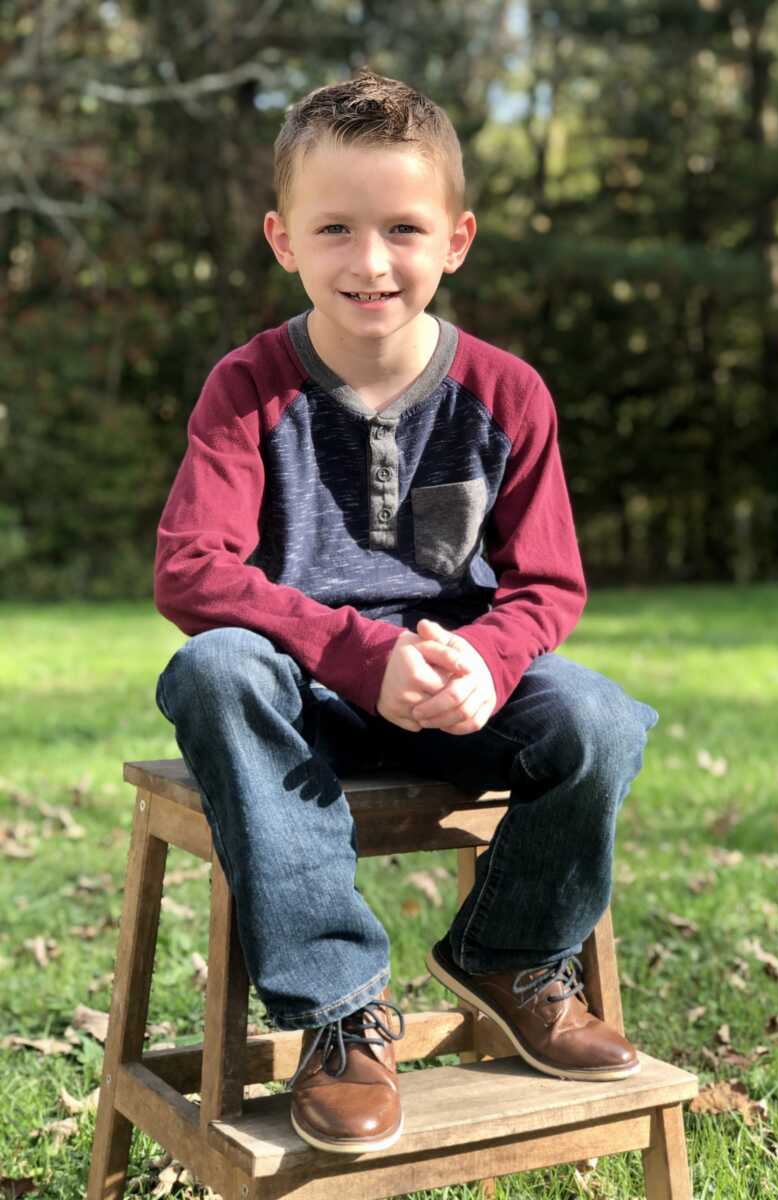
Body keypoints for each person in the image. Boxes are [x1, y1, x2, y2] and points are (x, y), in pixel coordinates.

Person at [153, 66, 660, 1157]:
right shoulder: (247, 387)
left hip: (461, 689)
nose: (370, 261)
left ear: (457, 238)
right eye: (334, 228)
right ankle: (339, 1013)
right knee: (214, 669)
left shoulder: (508, 393)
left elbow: (549, 583)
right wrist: (356, 651)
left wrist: (488, 657)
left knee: (603, 718)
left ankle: (512, 954)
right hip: (303, 700)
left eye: (402, 228)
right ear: (282, 239)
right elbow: (191, 569)